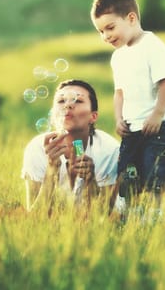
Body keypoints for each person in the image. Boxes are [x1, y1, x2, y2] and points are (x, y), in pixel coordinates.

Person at [90, 0, 165, 217]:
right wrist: (119, 118)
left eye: (110, 28)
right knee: (128, 173)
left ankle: (156, 212)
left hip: (160, 126)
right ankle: (129, 213)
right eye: (101, 31)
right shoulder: (118, 56)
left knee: (155, 171)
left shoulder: (153, 47)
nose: (106, 36)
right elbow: (119, 92)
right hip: (132, 128)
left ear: (131, 18)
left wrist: (158, 114)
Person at [21, 79, 121, 217]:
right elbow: (35, 217)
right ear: (53, 115)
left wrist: (90, 182)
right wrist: (51, 170)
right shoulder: (37, 148)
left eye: (78, 101)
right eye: (61, 101)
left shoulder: (109, 150)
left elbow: (102, 217)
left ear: (93, 116)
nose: (68, 105)